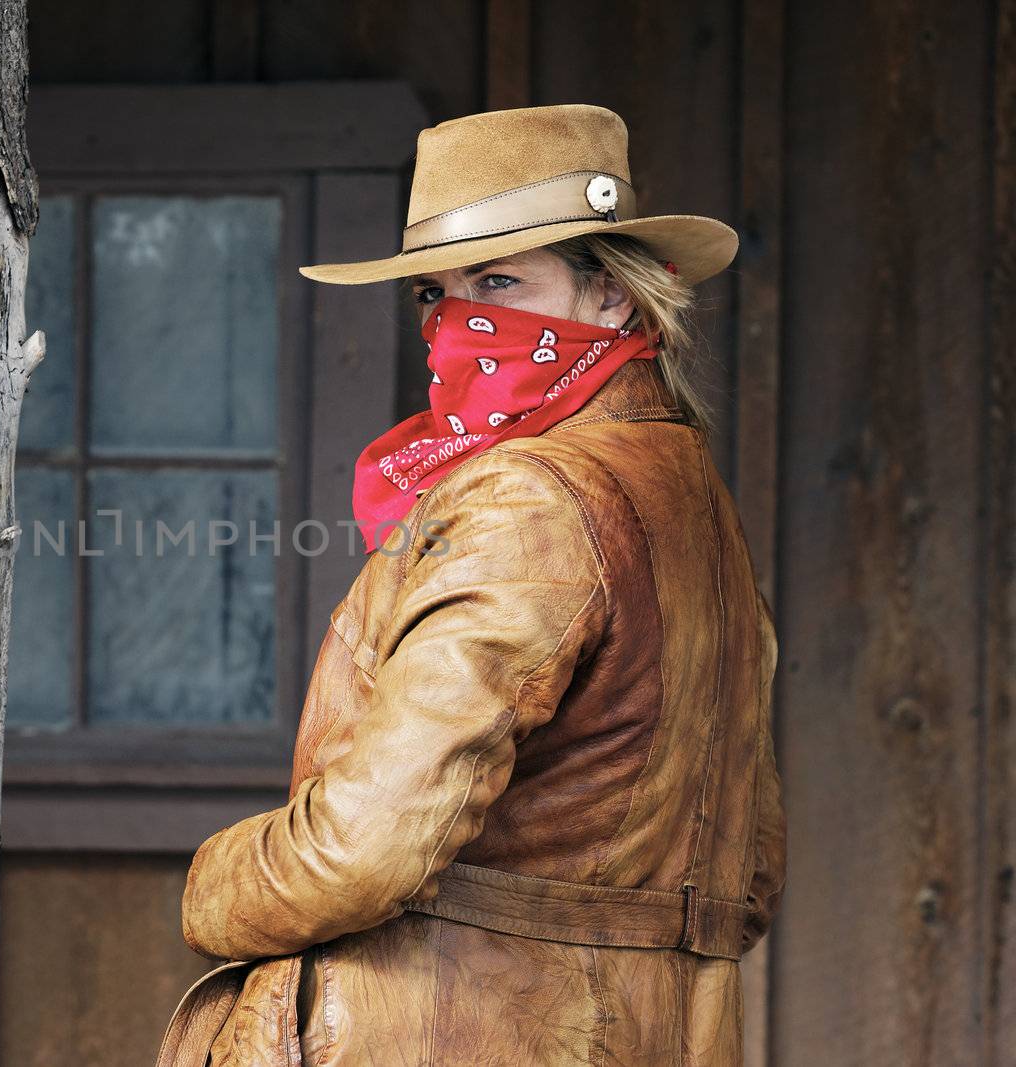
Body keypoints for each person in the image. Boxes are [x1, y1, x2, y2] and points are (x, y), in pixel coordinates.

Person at [155, 104, 787, 1066]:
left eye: (498, 281)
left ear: (611, 297)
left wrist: (211, 880)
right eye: (434, 295)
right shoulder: (695, 498)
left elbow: (358, 849)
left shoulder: (531, 494)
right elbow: (749, 878)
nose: (458, 323)